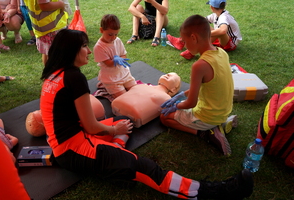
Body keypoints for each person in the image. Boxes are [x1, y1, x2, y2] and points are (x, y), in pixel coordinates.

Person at [40, 28, 253, 200]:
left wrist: (116, 127)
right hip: (74, 149)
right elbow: (91, 127)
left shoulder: (54, 75)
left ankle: (113, 157)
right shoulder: (73, 77)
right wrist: (114, 129)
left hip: (67, 143)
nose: (88, 51)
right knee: (145, 167)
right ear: (70, 50)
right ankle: (212, 191)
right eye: (84, 46)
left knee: (124, 121)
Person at [160, 15, 237, 156]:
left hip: (208, 116)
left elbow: (191, 103)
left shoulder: (199, 65)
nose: (184, 45)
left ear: (194, 38)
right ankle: (221, 123)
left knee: (165, 118)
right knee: (181, 106)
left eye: (184, 41)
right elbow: (209, 87)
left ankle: (206, 133)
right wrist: (181, 94)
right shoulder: (222, 53)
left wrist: (176, 105)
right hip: (223, 110)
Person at [167, 0, 242, 60]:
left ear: (211, 7)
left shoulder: (224, 17)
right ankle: (181, 41)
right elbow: (200, 22)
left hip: (231, 44)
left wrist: (204, 34)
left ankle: (191, 52)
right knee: (201, 23)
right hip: (221, 40)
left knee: (219, 32)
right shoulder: (215, 15)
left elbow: (223, 31)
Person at [112, 72, 181, 128]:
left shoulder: (166, 98)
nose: (167, 75)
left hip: (132, 115)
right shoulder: (144, 85)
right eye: (167, 74)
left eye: (171, 77)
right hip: (120, 107)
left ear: (174, 89)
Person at [94, 14, 136, 99]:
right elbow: (108, 64)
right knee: (125, 98)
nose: (113, 37)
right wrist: (115, 60)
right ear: (101, 30)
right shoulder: (99, 47)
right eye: (110, 34)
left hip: (123, 73)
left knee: (136, 91)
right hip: (111, 78)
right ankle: (106, 86)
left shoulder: (117, 40)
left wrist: (121, 59)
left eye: (116, 34)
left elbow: (123, 54)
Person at [24, 0, 68, 64]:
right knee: (58, 54)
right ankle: (54, 72)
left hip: (44, 27)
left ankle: (48, 72)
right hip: (52, 27)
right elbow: (44, 5)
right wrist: (61, 4)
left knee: (47, 53)